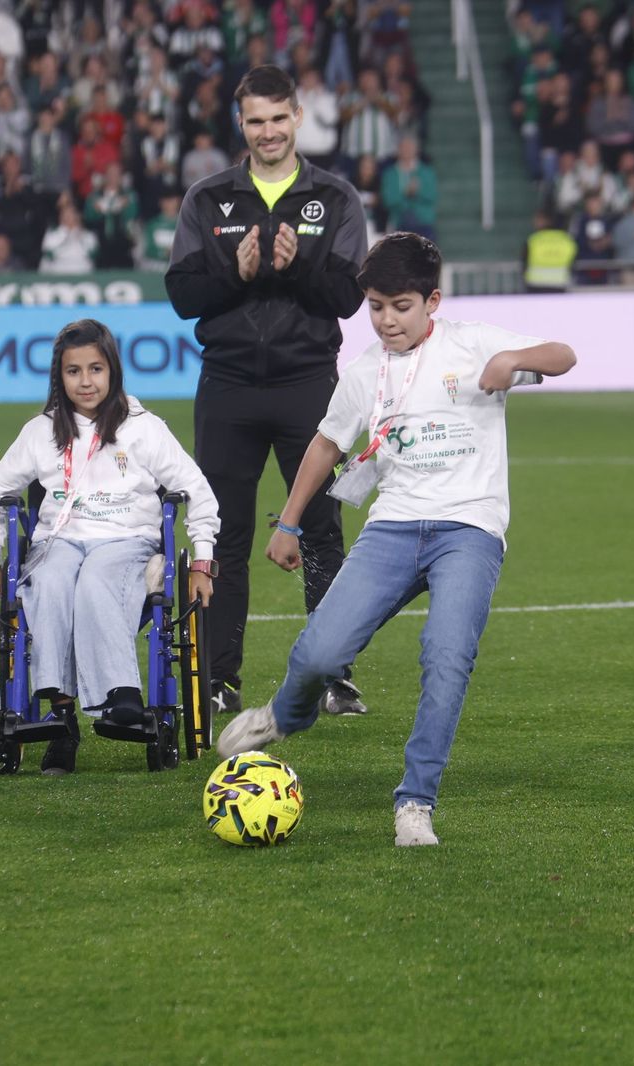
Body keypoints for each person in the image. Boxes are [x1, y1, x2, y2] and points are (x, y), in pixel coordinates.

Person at [216, 232, 576, 846]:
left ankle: (415, 802)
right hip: (393, 526)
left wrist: (514, 362)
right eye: (375, 306)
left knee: (446, 657)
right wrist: (289, 522)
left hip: (470, 529)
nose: (386, 320)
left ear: (432, 300)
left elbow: (563, 354)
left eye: (400, 306)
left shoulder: (474, 342)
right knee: (321, 655)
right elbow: (328, 445)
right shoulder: (363, 373)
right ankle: (284, 715)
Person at [164, 64, 369, 720]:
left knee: (320, 529)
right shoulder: (207, 198)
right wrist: (237, 269)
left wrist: (297, 265)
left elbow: (345, 296)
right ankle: (220, 678)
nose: (269, 131)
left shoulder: (335, 199)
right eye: (256, 120)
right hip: (227, 386)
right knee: (219, 533)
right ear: (240, 122)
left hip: (309, 384)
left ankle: (333, 675)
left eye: (279, 118)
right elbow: (183, 296)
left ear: (297, 116)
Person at [0, 319, 220, 775]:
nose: (85, 382)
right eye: (73, 372)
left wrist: (202, 559)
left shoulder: (143, 427)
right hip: (60, 539)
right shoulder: (41, 431)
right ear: (59, 377)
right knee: (48, 580)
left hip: (127, 539)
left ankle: (122, 695)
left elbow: (197, 489)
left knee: (96, 579)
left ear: (113, 372)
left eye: (95, 369)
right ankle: (61, 712)